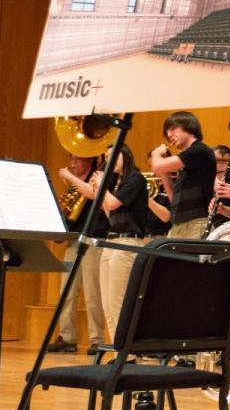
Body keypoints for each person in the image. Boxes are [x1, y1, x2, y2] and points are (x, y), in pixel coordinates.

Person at [50, 153, 109, 354]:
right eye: (71, 159)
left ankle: (97, 340)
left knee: (93, 293)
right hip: (75, 240)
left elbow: (94, 194)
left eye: (77, 159)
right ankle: (67, 337)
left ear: (89, 160)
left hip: (94, 239)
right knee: (66, 291)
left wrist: (70, 177)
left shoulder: (98, 177)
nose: (72, 163)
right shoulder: (75, 187)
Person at [96, 145, 149, 338]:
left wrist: (102, 187)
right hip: (112, 241)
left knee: (118, 301)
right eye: (106, 157)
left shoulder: (135, 179)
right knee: (107, 303)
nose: (107, 160)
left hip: (127, 243)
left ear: (125, 155)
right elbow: (109, 212)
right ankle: (116, 348)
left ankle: (127, 354)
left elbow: (112, 203)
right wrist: (100, 190)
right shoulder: (116, 183)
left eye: (111, 156)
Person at [149, 111, 215, 239]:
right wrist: (164, 172)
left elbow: (156, 166)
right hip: (179, 224)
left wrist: (156, 154)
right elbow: (174, 198)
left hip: (196, 224)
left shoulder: (199, 150)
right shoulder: (187, 162)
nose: (169, 135)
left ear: (189, 126)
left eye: (173, 128)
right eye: (167, 132)